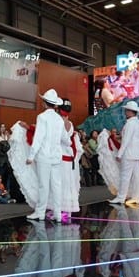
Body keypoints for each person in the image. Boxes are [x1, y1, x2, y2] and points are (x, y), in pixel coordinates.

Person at [25, 89, 70, 222]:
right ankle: (57, 214)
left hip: (44, 157)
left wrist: (31, 156)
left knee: (43, 185)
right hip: (56, 157)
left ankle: (40, 212)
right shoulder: (59, 119)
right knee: (56, 185)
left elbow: (38, 138)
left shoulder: (42, 117)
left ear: (45, 103)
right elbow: (66, 139)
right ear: (55, 104)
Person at [108, 101, 139, 205]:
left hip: (129, 154)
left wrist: (119, 154)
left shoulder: (130, 124)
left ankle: (121, 197)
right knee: (137, 176)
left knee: (125, 176)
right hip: (137, 154)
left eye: (126, 110)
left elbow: (126, 140)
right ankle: (137, 197)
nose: (125, 112)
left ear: (130, 111)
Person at [57, 98, 81, 214]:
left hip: (61, 158)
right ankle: (67, 211)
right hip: (68, 159)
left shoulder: (59, 123)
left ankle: (62, 211)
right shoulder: (70, 124)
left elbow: (61, 140)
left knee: (61, 184)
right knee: (68, 184)